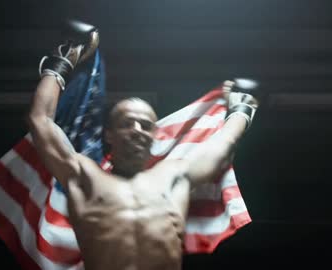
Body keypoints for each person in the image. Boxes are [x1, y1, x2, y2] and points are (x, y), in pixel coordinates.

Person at [28, 20, 260, 270]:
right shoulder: (84, 176)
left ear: (154, 136)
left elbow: (224, 143)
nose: (137, 130)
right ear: (109, 135)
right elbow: (40, 120)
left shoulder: (174, 175)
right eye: (128, 123)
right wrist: (63, 61)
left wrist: (240, 109)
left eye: (145, 125)